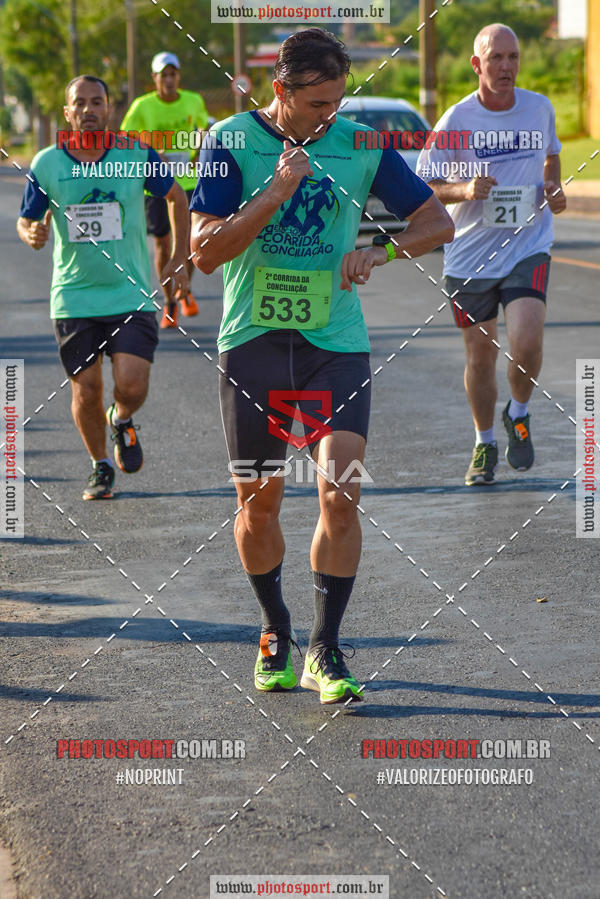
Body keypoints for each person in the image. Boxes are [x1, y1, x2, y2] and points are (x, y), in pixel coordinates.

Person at [189, 28, 454, 704]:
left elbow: (437, 221)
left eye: (338, 101)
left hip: (335, 343)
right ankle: (274, 624)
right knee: (259, 500)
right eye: (316, 105)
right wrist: (274, 193)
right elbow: (205, 253)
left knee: (341, 491)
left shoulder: (359, 141)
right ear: (280, 91)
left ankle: (325, 645)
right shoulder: (229, 142)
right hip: (253, 342)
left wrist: (383, 252)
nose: (329, 115)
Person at [17, 75, 190, 499]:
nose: (89, 109)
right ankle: (100, 465)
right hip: (74, 296)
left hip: (129, 293)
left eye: (97, 102)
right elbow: (27, 218)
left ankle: (122, 418)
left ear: (109, 109)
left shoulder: (134, 154)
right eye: (80, 103)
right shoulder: (47, 163)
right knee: (86, 388)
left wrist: (178, 257)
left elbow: (178, 198)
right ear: (68, 112)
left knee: (132, 384)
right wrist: (31, 233)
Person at [417, 23, 566, 486]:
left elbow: (552, 156)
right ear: (476, 65)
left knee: (526, 341)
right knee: (480, 358)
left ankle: (518, 413)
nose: (506, 67)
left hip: (528, 243)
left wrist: (553, 186)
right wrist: (464, 189)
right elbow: (423, 186)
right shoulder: (457, 120)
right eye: (496, 58)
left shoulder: (539, 108)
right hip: (470, 255)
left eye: (513, 57)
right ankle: (484, 443)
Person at [121, 52, 209, 329]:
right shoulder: (141, 106)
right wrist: (151, 153)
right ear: (155, 78)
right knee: (162, 243)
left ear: (178, 77)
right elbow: (126, 138)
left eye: (173, 74)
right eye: (164, 75)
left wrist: (200, 151)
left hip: (189, 180)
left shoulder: (193, 100)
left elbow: (204, 128)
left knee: (192, 244)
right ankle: (170, 302)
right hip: (157, 185)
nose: (169, 80)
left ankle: (184, 288)